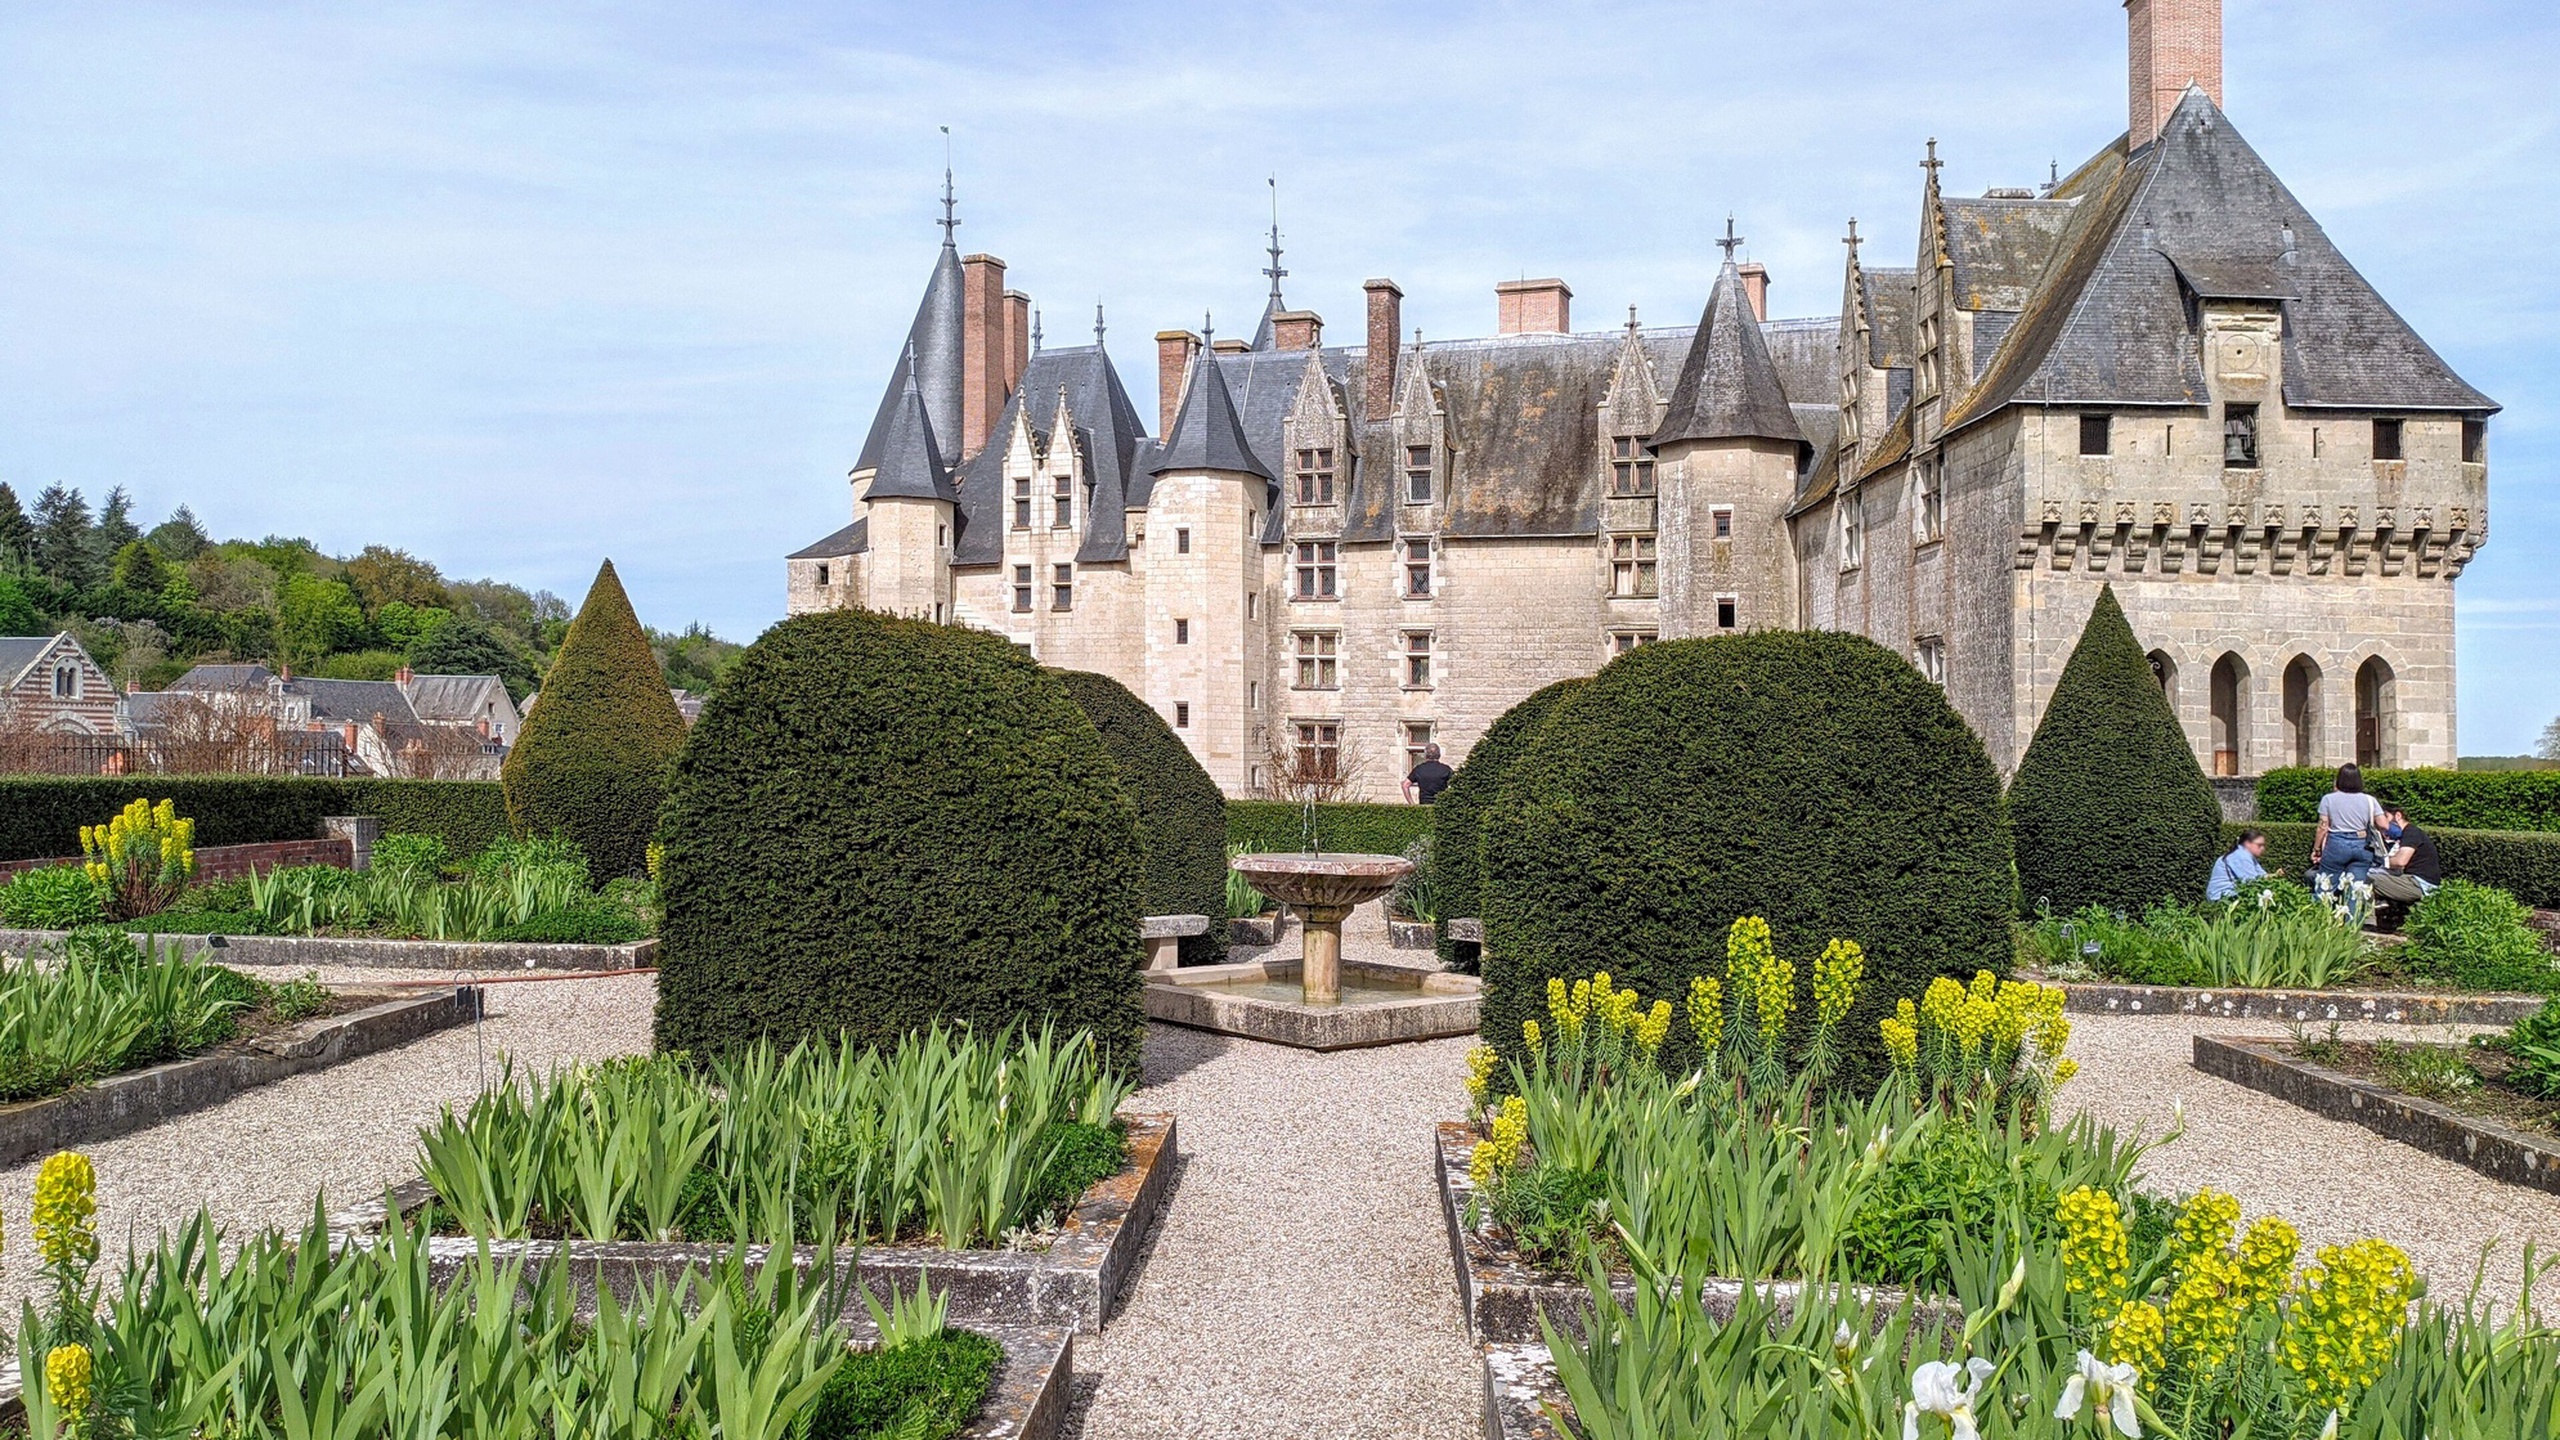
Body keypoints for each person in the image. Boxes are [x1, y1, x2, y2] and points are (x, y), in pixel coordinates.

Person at [2311, 763, 2386, 886]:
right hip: (2362, 844)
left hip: (2337, 842)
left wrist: (2316, 849)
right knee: (2356, 890)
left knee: (2326, 886)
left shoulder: (2328, 799)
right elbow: (2384, 824)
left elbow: (2322, 827)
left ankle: (2322, 905)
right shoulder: (2369, 800)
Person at [2369, 802, 2442, 907]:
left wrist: (2379, 861)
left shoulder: (2412, 833)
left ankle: (2367, 922)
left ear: (2398, 815)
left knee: (2365, 879)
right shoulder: (2403, 836)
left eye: (2386, 817)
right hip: (2411, 880)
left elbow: (2400, 861)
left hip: (2420, 884)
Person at [2207, 827, 2270, 901]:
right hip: (2222, 897)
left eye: (2263, 845)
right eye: (2259, 845)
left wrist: (2275, 875)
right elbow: (2251, 882)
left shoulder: (2249, 856)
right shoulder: (2241, 856)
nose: (2262, 848)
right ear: (2247, 844)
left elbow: (2262, 876)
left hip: (2230, 895)